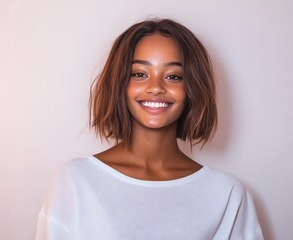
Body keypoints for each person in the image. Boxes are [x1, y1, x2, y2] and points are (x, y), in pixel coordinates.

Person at [35, 18, 263, 240]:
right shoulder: (75, 181)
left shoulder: (227, 194)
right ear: (120, 83)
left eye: (173, 76)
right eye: (140, 74)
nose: (155, 88)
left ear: (192, 88)